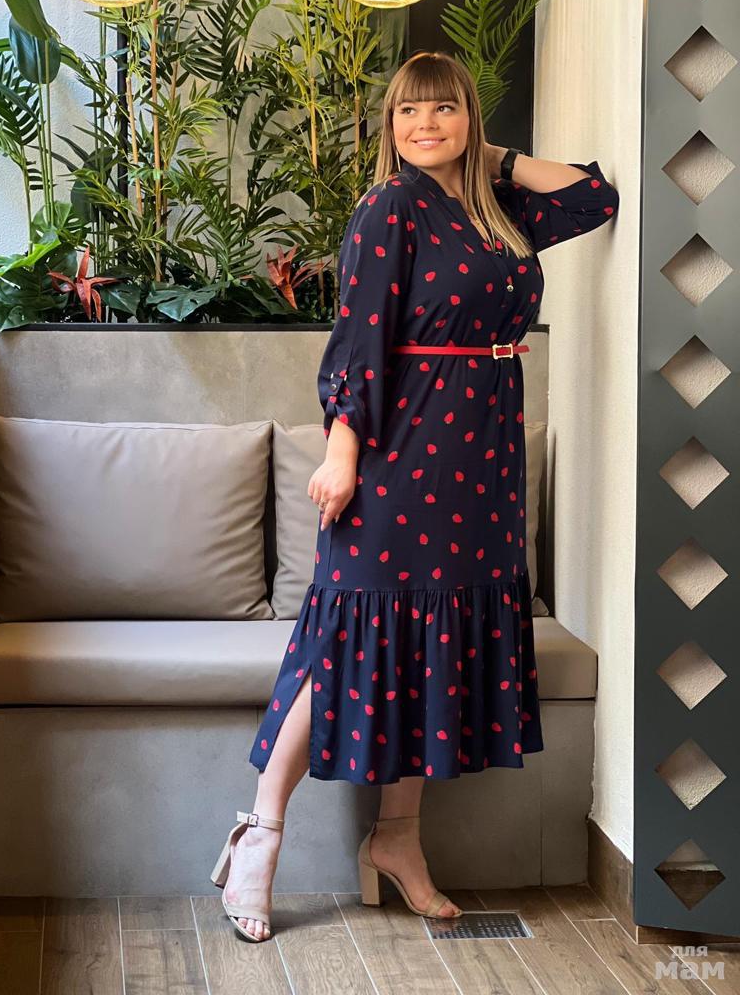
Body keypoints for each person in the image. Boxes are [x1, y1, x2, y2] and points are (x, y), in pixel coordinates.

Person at [211, 50, 620, 942]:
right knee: (351, 636)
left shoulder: (497, 211)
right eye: (407, 112)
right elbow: (358, 335)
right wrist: (343, 452)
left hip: (483, 455)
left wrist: (495, 160)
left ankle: (397, 839)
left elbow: (595, 198)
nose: (424, 125)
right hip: (401, 452)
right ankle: (260, 835)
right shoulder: (388, 207)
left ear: (471, 117)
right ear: (390, 128)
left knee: (432, 641)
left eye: (443, 109)